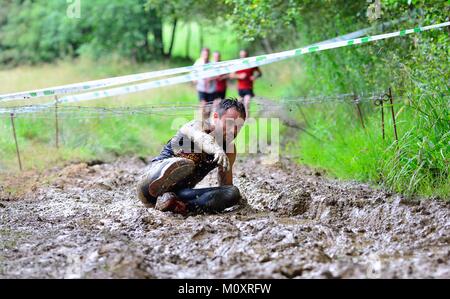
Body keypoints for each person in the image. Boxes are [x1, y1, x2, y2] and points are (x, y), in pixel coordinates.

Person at [137, 98, 246, 215]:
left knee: (232, 192)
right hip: (152, 181)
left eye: (238, 126)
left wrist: (234, 198)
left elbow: (225, 184)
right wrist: (216, 149)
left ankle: (179, 206)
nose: (233, 130)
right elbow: (202, 138)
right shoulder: (195, 126)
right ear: (215, 117)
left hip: (180, 194)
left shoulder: (229, 149)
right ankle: (159, 190)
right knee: (182, 164)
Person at [230, 49, 262, 117]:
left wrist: (254, 76)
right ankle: (241, 117)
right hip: (240, 88)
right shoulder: (237, 64)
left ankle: (247, 119)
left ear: (247, 56)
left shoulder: (252, 64)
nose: (243, 57)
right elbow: (231, 75)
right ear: (240, 56)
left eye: (245, 56)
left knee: (246, 103)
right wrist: (239, 76)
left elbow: (260, 73)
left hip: (249, 88)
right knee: (240, 104)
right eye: (242, 56)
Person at [194, 48, 216, 120]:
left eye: (207, 54)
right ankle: (201, 120)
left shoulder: (212, 63)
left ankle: (207, 121)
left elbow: (217, 75)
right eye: (204, 54)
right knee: (203, 104)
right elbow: (193, 72)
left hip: (211, 89)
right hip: (201, 87)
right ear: (201, 54)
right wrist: (194, 79)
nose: (205, 56)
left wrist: (211, 78)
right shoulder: (198, 63)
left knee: (209, 108)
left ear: (209, 55)